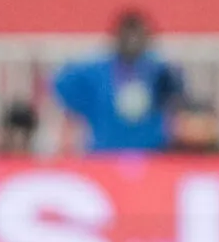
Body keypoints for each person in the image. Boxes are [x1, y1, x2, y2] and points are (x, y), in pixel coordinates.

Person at [54, 10, 186, 152]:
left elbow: (178, 97)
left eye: (138, 36)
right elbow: (61, 84)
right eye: (127, 36)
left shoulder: (159, 71)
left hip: (152, 152)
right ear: (116, 38)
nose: (133, 41)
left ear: (148, 39)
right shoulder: (94, 72)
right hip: (105, 153)